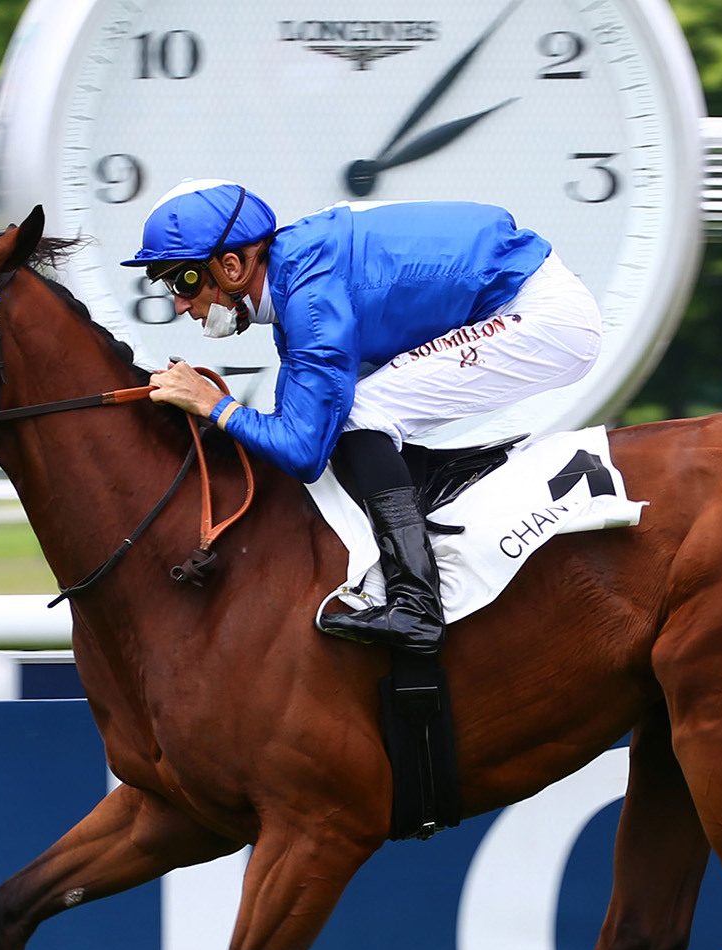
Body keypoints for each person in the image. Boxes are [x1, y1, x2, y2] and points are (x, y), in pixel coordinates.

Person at [129, 179, 602, 655]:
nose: (180, 303)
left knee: (360, 415)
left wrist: (215, 404)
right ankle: (417, 529)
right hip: (512, 297)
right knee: (348, 416)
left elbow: (302, 451)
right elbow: (298, 426)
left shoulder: (311, 298)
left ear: (231, 265)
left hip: (542, 317)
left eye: (183, 279)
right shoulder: (297, 279)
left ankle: (417, 604)